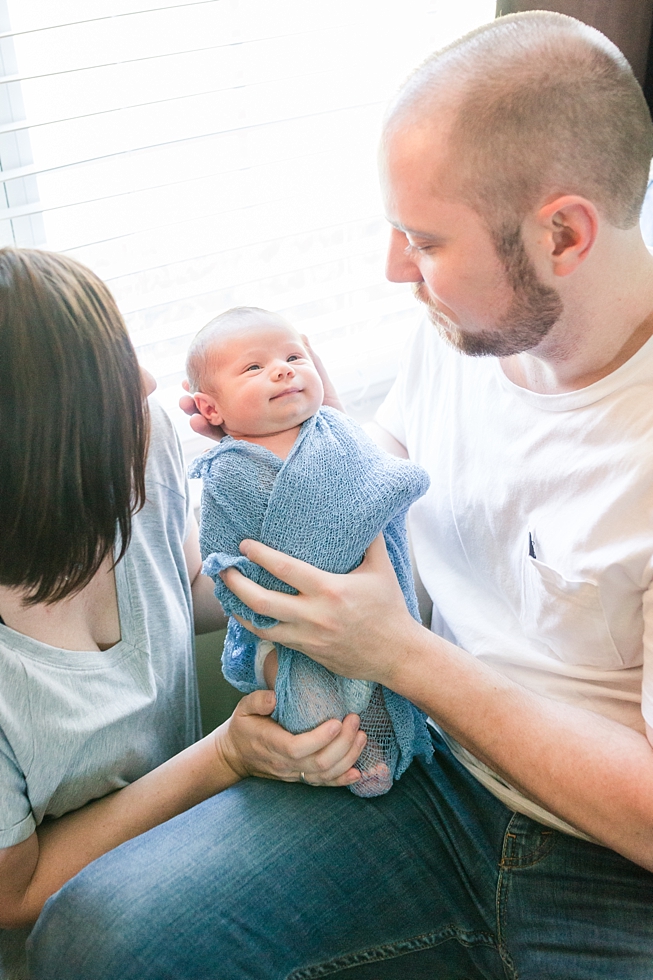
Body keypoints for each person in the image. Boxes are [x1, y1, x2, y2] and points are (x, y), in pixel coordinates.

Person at [27, 11, 653, 979]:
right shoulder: (463, 332)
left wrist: (401, 653)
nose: (393, 270)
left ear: (560, 234)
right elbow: (353, 488)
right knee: (90, 937)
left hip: (608, 860)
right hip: (417, 768)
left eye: (424, 240)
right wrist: (259, 452)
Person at [0, 248, 366, 980]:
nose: (144, 381)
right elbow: (16, 895)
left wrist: (302, 461)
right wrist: (228, 754)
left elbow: (193, 581)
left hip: (190, 834)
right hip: (72, 926)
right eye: (109, 367)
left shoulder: (140, 445)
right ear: (37, 430)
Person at [184, 306, 431, 797]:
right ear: (211, 410)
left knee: (379, 692)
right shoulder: (230, 469)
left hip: (366, 601)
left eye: (294, 356)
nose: (283, 369)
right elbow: (225, 554)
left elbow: (379, 482)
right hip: (289, 627)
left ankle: (385, 741)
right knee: (312, 702)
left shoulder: (335, 431)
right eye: (253, 368)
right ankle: (354, 759)